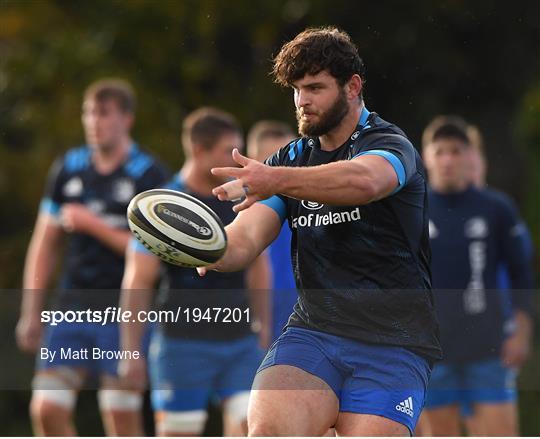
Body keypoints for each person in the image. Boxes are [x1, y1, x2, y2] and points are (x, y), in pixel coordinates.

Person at [197, 27, 442, 436]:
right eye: (296, 90)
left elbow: (365, 182)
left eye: (314, 88)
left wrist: (276, 179)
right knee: (268, 431)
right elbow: (245, 239)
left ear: (353, 87)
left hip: (395, 343)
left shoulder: (389, 143)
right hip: (315, 333)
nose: (302, 101)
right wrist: (208, 249)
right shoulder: (292, 159)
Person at [15, 78, 169, 436]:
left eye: (103, 113)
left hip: (124, 312)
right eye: (89, 113)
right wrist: (31, 312)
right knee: (47, 410)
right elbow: (43, 244)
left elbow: (154, 255)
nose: (93, 122)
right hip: (72, 305)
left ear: (126, 119)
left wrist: (92, 224)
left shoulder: (149, 174)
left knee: (121, 418)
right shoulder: (69, 167)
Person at [118, 107, 270, 436]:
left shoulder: (241, 196)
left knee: (252, 425)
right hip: (181, 344)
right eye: (226, 153)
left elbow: (259, 265)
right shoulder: (161, 206)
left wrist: (263, 325)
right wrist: (131, 352)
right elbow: (138, 281)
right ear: (199, 151)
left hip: (238, 341)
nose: (236, 162)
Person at [421, 116, 534, 436]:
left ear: (469, 156)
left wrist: (522, 333)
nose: (448, 159)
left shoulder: (496, 208)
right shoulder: (415, 209)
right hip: (433, 353)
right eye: (440, 151)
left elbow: (521, 274)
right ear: (427, 156)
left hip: (488, 351)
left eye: (456, 151)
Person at [246, 120, 297, 342]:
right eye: (272, 161)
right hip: (253, 327)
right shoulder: (239, 210)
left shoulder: (312, 206)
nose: (280, 171)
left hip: (302, 322)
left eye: (288, 161)